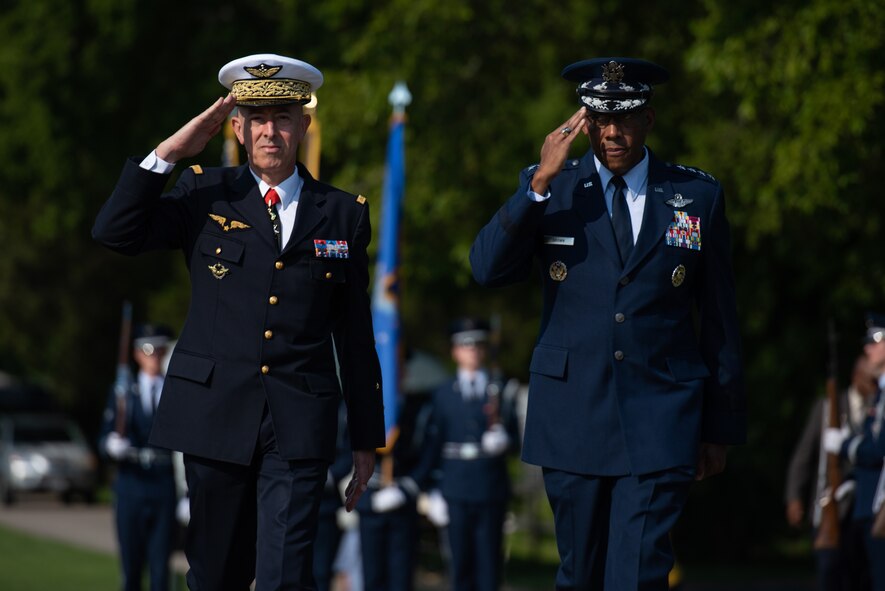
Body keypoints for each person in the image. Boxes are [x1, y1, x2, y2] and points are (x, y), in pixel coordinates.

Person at [92, 53, 385, 590]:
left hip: (299, 421)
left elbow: (355, 334)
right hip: (214, 415)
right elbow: (115, 232)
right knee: (216, 576)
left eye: (282, 118)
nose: (270, 131)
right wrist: (170, 152)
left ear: (303, 125)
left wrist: (367, 438)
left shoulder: (343, 213)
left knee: (286, 577)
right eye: (257, 119)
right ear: (238, 129)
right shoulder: (204, 192)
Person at [469, 57, 746, 590]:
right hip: (572, 415)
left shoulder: (697, 196)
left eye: (624, 118)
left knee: (637, 574)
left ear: (649, 119)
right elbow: (486, 269)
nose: (611, 133)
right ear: (585, 123)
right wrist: (538, 183)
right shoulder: (552, 188)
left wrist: (720, 426)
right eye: (598, 120)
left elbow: (719, 318)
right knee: (580, 574)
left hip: (661, 416)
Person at [425, 318, 519, 591]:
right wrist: (432, 489)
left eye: (478, 345)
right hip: (455, 488)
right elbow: (433, 444)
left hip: (490, 488)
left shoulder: (500, 388)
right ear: (455, 351)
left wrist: (505, 440)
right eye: (466, 346)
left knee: (489, 566)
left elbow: (516, 439)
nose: (473, 351)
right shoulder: (443, 393)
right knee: (460, 566)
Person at [785, 355, 876, 591]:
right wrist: (794, 497)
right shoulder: (827, 407)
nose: (874, 385)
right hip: (829, 505)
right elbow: (804, 456)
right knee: (830, 573)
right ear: (856, 377)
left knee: (862, 577)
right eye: (870, 380)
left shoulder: (877, 407)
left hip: (863, 508)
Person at [99, 324, 178, 591]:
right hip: (131, 483)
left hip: (163, 483)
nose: (154, 356)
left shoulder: (173, 390)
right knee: (131, 567)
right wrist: (111, 444)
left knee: (160, 569)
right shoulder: (123, 392)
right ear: (136, 354)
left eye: (159, 350)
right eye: (148, 350)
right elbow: (104, 436)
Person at [825, 316, 885, 590]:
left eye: (875, 340)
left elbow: (879, 449)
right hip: (869, 501)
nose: (867, 349)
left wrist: (846, 446)